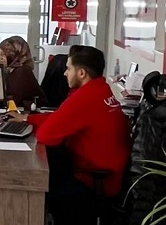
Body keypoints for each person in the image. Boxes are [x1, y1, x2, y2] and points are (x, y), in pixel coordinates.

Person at [7, 45, 131, 199]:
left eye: (68, 68)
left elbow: (45, 136)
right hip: (108, 175)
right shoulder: (101, 89)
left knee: (30, 181)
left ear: (81, 73)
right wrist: (28, 118)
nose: (65, 73)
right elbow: (62, 116)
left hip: (95, 181)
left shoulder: (85, 98)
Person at [0, 36, 47, 110]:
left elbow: (15, 101)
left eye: (3, 54)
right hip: (20, 110)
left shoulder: (22, 72)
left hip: (32, 112)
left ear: (14, 54)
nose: (0, 58)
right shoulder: (9, 70)